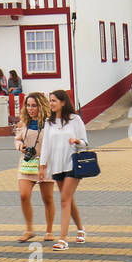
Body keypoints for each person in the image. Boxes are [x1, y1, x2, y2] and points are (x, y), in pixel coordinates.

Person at [40, 90, 88, 251]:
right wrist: (42, 166)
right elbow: (46, 145)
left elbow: (85, 142)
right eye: (50, 101)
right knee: (68, 199)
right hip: (56, 165)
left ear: (63, 102)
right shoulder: (49, 122)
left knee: (64, 200)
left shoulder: (75, 120)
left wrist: (76, 140)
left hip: (73, 164)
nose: (51, 103)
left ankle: (63, 239)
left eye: (54, 100)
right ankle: (80, 229)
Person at [14, 92, 55, 242]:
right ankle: (29, 229)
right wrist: (20, 146)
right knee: (24, 196)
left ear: (41, 106)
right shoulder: (24, 122)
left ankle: (49, 231)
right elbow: (17, 139)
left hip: (45, 163)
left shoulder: (50, 123)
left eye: (34, 105)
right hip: (27, 161)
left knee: (48, 198)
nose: (30, 109)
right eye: (28, 105)